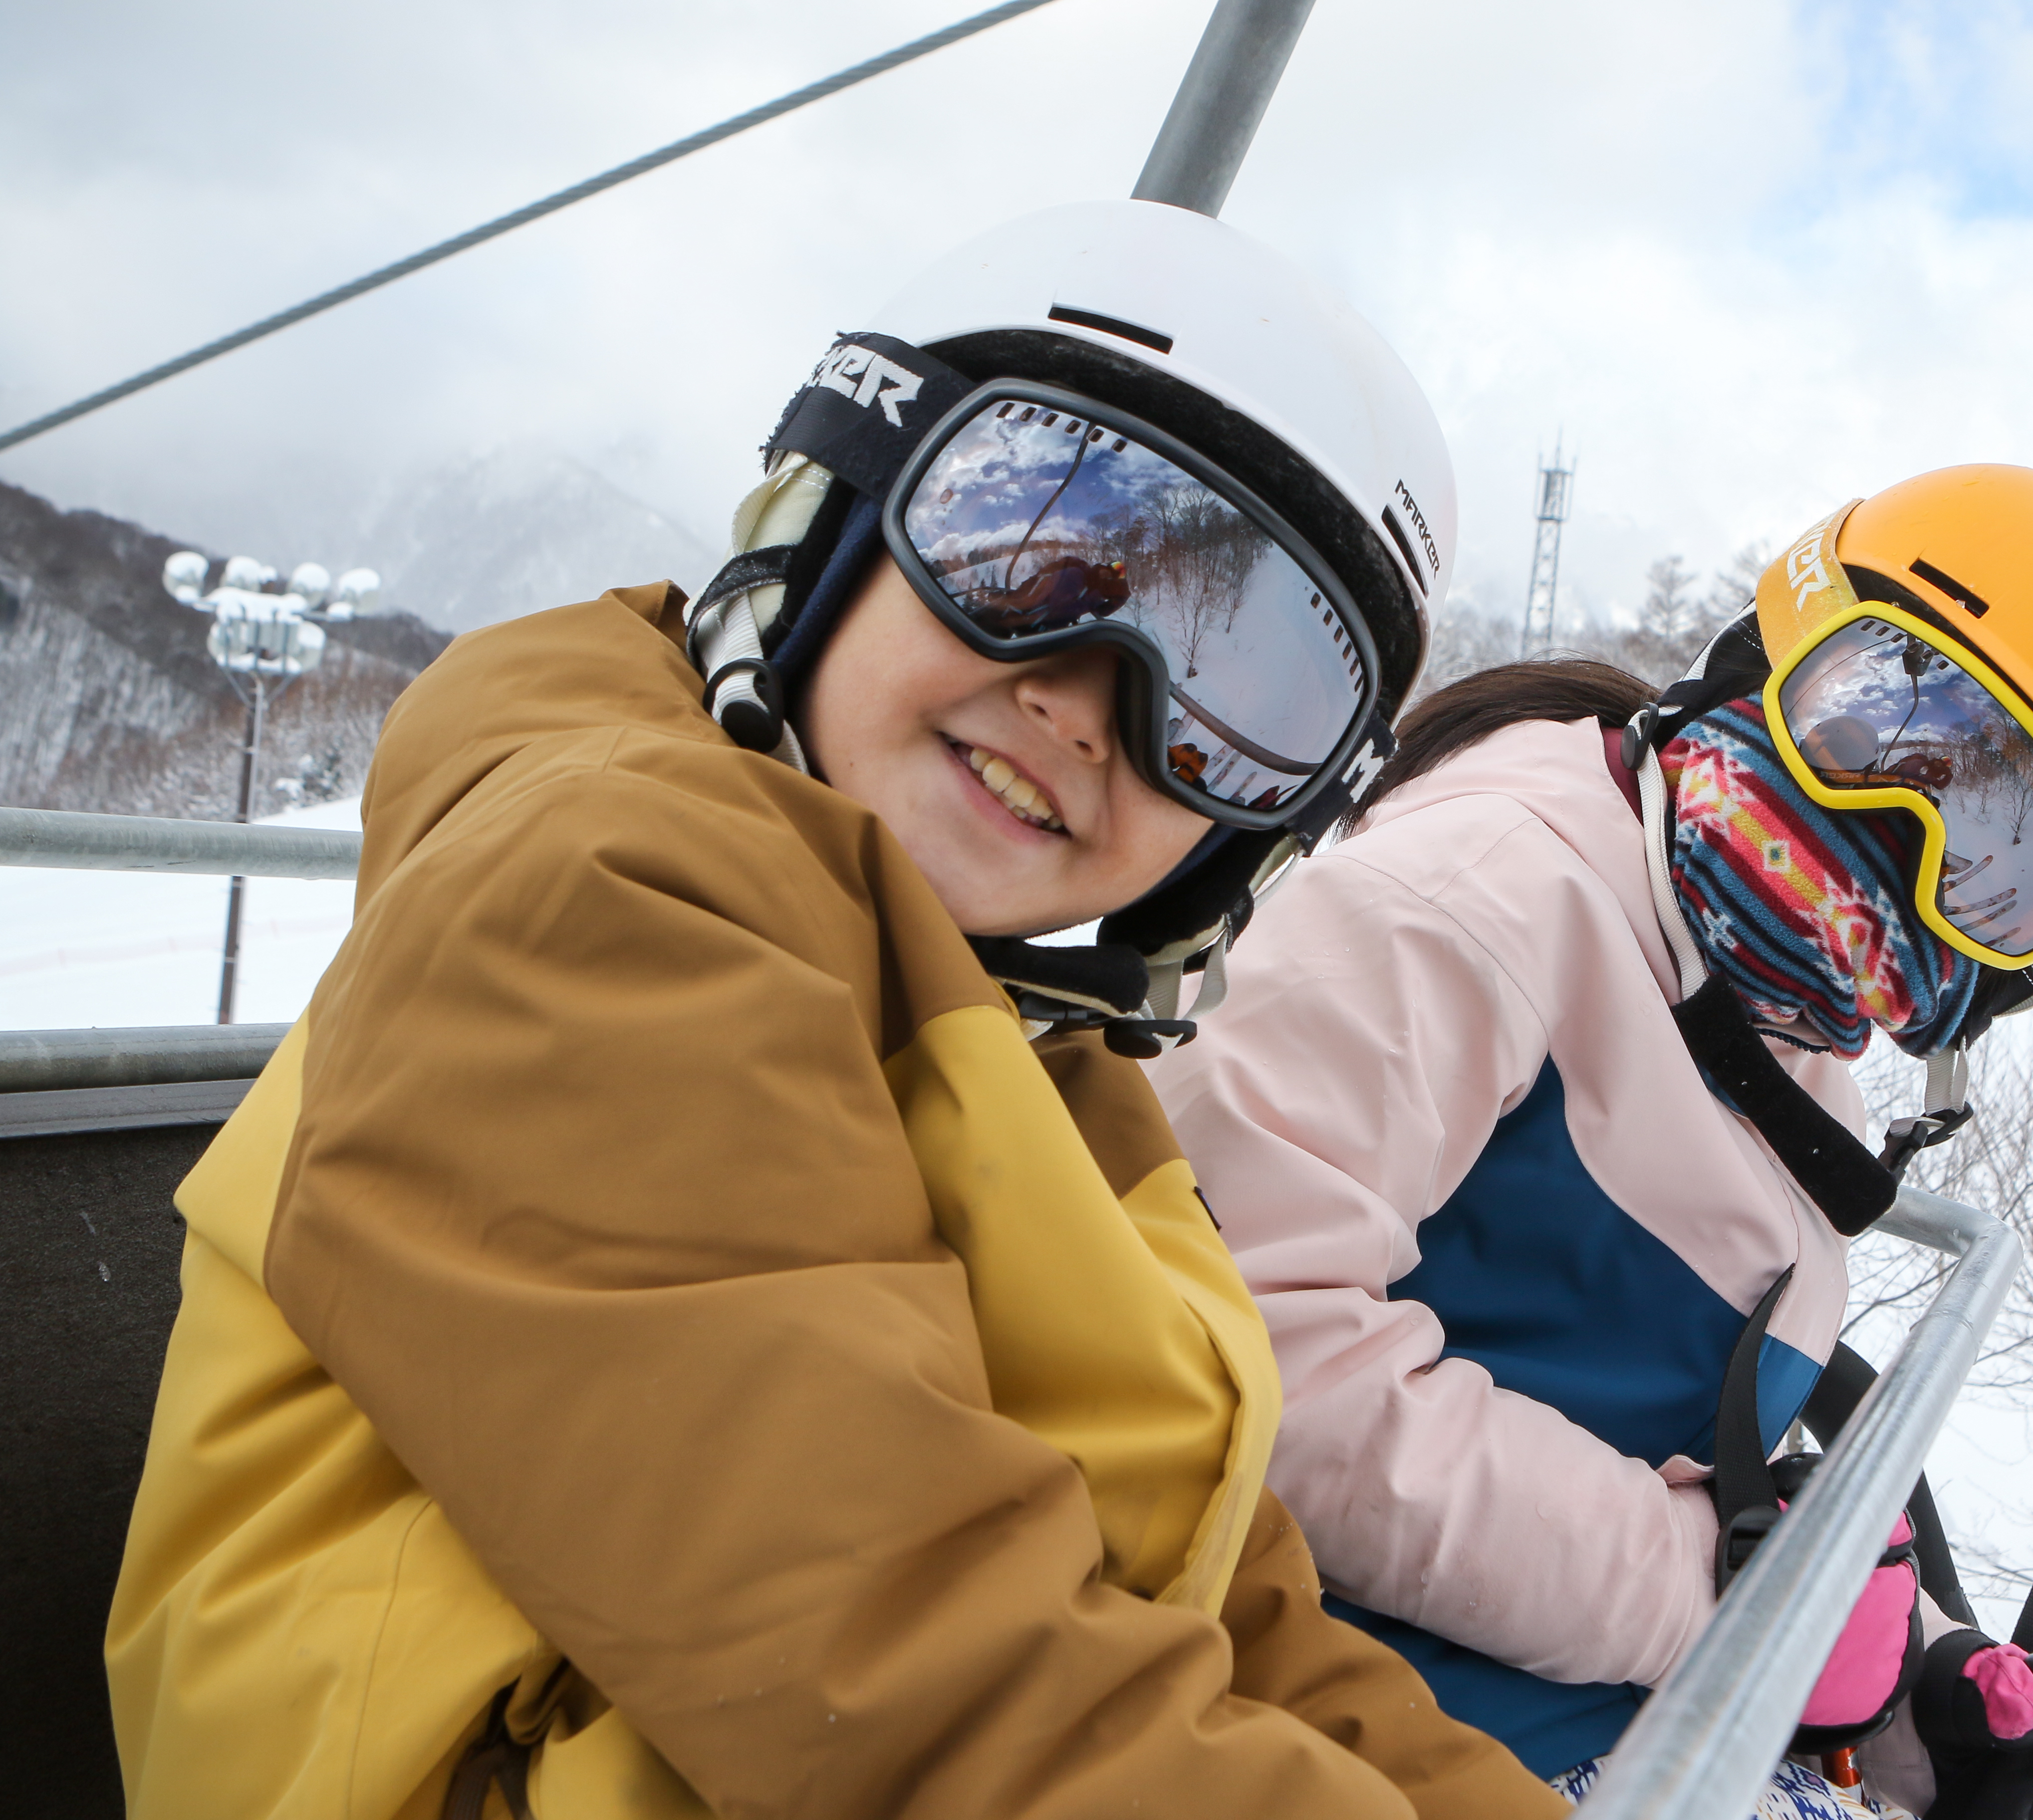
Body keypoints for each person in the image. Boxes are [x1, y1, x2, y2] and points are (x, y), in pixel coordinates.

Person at [104, 199, 1567, 1820]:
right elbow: (905, 1675)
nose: (1091, 702)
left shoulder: (1044, 1078)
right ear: (847, 509)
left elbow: (1239, 1618)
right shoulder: (597, 900)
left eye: (1239, 697)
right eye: (1032, 551)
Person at [1150, 466, 2033, 1816]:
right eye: (1881, 721)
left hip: (1572, 1720)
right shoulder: (1467, 903)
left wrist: (1916, 1693)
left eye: (2000, 861)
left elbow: (1670, 1461)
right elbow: (1244, 1356)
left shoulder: (1789, 1049)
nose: (1894, 835)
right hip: (1318, 1721)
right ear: (1769, 648)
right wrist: (1735, 1613)